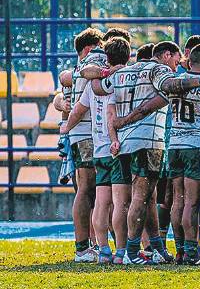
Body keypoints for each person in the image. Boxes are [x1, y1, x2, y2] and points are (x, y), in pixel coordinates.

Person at [89, 41, 200, 265]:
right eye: (176, 60)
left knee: (142, 199)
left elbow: (98, 87)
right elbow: (168, 87)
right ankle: (131, 252)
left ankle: (154, 248)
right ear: (165, 55)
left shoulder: (124, 72)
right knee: (140, 198)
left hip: (123, 143)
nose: (177, 66)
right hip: (147, 141)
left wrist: (103, 72)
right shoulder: (159, 70)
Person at [60, 36, 130, 264]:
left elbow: (68, 85)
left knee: (97, 197)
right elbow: (110, 113)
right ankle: (118, 250)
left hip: (92, 141)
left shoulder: (90, 73)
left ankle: (99, 248)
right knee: (113, 199)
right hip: (105, 143)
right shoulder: (107, 70)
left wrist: (65, 128)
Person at [166, 44, 200, 266]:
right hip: (198, 147)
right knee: (192, 204)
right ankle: (192, 253)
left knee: (178, 200)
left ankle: (180, 251)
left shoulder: (177, 83)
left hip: (175, 145)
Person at [67, 27, 108, 262]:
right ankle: (83, 248)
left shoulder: (76, 68)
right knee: (87, 188)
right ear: (90, 48)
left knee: (88, 189)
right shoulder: (93, 59)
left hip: (80, 133)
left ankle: (87, 245)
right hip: (87, 133)